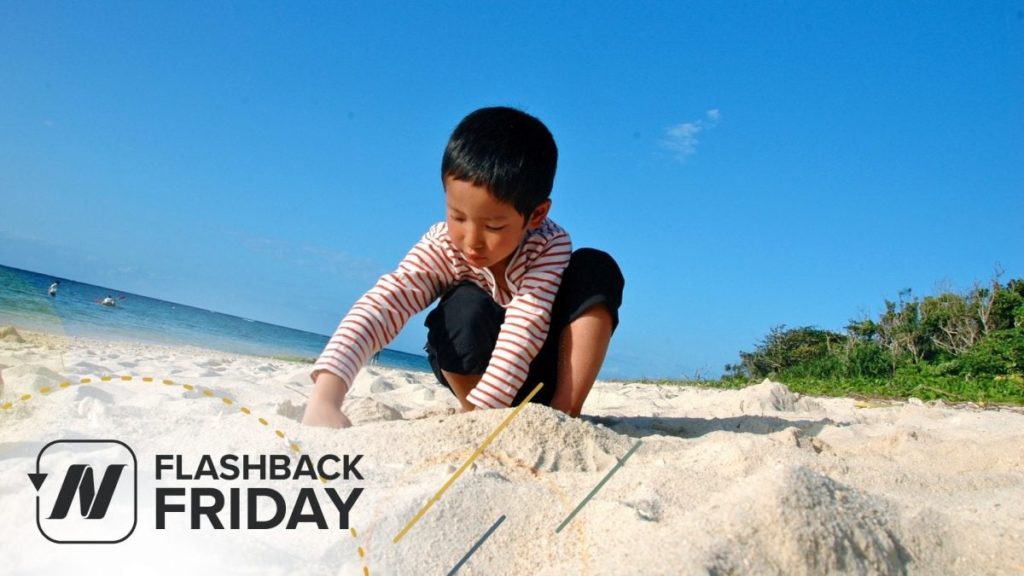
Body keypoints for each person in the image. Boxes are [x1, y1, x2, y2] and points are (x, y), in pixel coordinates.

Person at [302, 107, 624, 428]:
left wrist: (494, 413)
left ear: (536, 215)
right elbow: (386, 302)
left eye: (494, 226)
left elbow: (526, 326)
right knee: (463, 307)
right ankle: (473, 412)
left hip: (539, 369)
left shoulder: (548, 245)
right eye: (457, 216)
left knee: (596, 268)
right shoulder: (444, 245)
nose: (472, 241)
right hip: (473, 372)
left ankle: (563, 414)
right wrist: (326, 396)